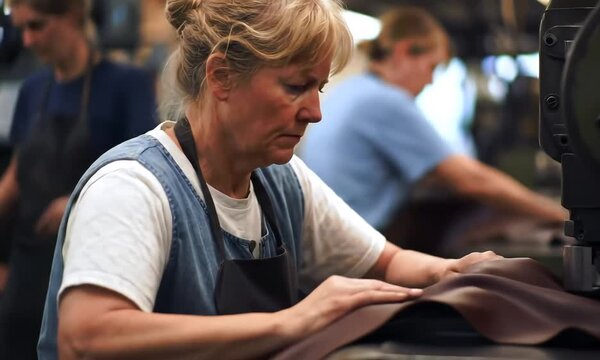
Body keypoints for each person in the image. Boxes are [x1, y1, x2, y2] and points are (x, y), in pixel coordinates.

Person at [37, 0, 500, 358]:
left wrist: (451, 271)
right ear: (221, 76)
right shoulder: (135, 187)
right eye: (296, 86)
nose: (315, 112)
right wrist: (292, 322)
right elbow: (86, 336)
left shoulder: (279, 181)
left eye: (318, 89)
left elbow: (386, 263)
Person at [301, 7, 567, 233]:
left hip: (331, 234)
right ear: (405, 52)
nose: (430, 81)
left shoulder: (353, 89)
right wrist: (558, 215)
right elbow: (472, 180)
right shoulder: (384, 100)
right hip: (351, 243)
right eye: (432, 67)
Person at [0, 0, 157, 358]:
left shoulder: (126, 85)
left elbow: (148, 173)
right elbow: (16, 176)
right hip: (28, 266)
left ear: (72, 15)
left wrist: (76, 201)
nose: (26, 40)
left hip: (89, 268)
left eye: (36, 26)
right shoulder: (32, 90)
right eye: (21, 27)